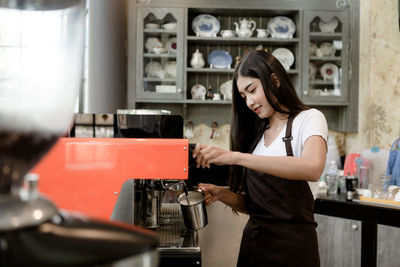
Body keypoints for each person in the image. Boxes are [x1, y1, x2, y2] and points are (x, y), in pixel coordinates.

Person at [192, 50, 328, 267]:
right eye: (243, 96)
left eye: (252, 90)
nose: (248, 102)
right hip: (254, 248)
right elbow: (255, 207)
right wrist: (221, 194)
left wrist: (236, 157)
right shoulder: (256, 135)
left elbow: (312, 167)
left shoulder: (309, 119)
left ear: (274, 80)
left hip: (294, 251)